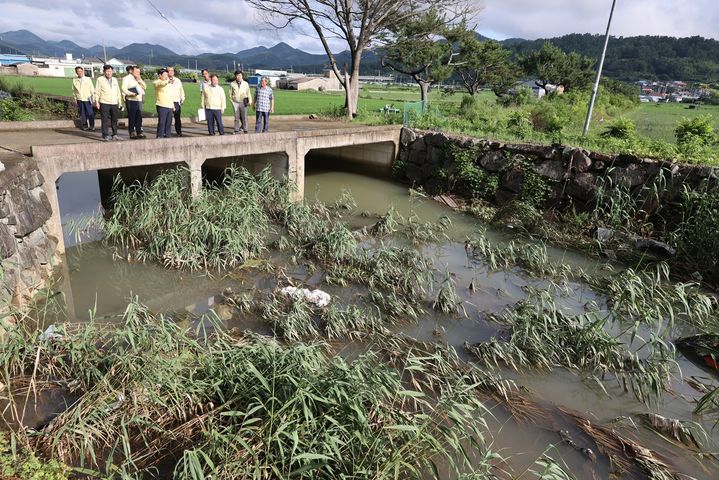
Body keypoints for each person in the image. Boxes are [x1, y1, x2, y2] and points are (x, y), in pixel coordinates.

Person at [94, 64, 123, 141]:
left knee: (114, 119)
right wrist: (97, 101)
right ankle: (105, 134)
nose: (108, 73)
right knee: (105, 119)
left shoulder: (115, 79)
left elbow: (118, 91)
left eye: (110, 71)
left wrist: (119, 102)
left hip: (114, 102)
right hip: (104, 102)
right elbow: (97, 91)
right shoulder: (100, 79)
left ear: (112, 71)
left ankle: (115, 134)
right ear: (104, 72)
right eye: (107, 71)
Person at [121, 65, 147, 139]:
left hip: (139, 100)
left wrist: (140, 80)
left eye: (139, 72)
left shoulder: (139, 78)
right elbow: (124, 89)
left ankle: (139, 132)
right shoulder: (126, 78)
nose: (138, 73)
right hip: (131, 100)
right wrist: (131, 93)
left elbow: (145, 87)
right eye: (136, 71)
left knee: (139, 117)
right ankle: (132, 132)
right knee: (132, 117)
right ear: (132, 71)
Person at [71, 66, 95, 131]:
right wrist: (75, 98)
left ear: (83, 71)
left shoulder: (88, 79)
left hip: (87, 98)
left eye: (81, 71)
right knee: (82, 113)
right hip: (79, 99)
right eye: (78, 71)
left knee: (90, 113)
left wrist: (93, 98)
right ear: (76, 73)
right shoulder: (75, 80)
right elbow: (74, 91)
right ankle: (85, 126)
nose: (80, 73)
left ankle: (92, 126)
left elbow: (92, 89)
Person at [153, 68, 174, 138]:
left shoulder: (168, 83)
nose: (166, 76)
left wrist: (173, 105)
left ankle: (167, 135)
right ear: (160, 75)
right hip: (161, 105)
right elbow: (162, 83)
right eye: (164, 75)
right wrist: (167, 81)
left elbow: (170, 95)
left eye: (166, 75)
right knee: (162, 122)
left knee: (169, 123)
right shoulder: (157, 82)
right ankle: (160, 136)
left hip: (169, 105)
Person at [166, 66, 185, 136]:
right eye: (169, 70)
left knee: (177, 118)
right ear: (167, 72)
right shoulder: (165, 80)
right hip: (167, 102)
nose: (171, 72)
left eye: (172, 70)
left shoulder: (177, 80)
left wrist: (182, 99)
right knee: (168, 119)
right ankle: (167, 132)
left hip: (176, 101)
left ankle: (179, 131)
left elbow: (181, 90)